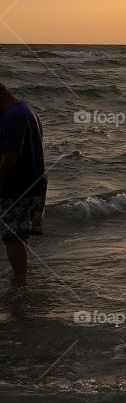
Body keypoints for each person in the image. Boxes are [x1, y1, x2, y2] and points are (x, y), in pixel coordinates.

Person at [0, 82, 46, 277]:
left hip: (18, 185)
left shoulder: (14, 116)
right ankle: (22, 276)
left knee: (12, 235)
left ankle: (20, 282)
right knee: (19, 233)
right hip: (34, 182)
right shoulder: (26, 111)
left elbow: (11, 155)